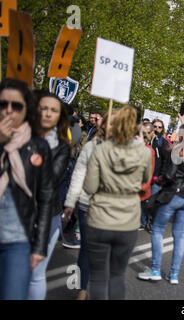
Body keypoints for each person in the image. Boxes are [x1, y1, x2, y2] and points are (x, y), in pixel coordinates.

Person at [83, 105, 152, 300]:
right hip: (128, 221)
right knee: (117, 275)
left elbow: (89, 187)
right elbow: (145, 178)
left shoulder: (101, 149)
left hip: (100, 219)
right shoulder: (144, 152)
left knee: (97, 277)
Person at [0, 78, 53, 300]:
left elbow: (45, 198)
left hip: (18, 240)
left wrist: (39, 246)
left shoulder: (38, 145)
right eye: (3, 104)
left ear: (26, 109)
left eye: (17, 106)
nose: (9, 111)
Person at [138, 115, 184, 285]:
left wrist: (156, 180)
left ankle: (155, 269)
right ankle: (174, 274)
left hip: (174, 195)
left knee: (158, 229)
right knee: (179, 236)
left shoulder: (178, 151)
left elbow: (168, 176)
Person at [63, 110, 117, 300]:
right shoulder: (91, 146)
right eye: (109, 123)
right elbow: (78, 174)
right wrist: (70, 202)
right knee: (86, 251)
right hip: (87, 206)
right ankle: (82, 289)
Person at [27, 91, 71, 300]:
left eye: (53, 110)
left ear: (59, 117)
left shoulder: (62, 147)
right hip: (13, 214)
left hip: (46, 215)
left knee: (35, 274)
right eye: (43, 108)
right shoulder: (15, 137)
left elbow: (49, 180)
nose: (47, 113)